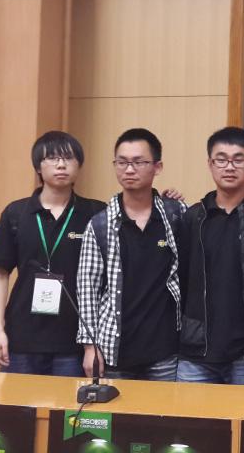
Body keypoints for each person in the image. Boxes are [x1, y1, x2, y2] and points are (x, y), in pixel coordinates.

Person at [0, 131, 105, 376]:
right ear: (38, 167)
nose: (61, 165)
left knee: (70, 402)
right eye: (52, 158)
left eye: (68, 158)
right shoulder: (16, 213)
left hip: (75, 340)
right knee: (18, 401)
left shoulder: (96, 213)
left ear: (79, 165)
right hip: (22, 336)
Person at [77, 128, 186, 381]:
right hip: (114, 348)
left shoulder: (176, 215)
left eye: (139, 162)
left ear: (157, 167)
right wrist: (90, 347)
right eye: (122, 162)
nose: (129, 169)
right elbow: (87, 289)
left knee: (164, 408)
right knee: (115, 409)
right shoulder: (100, 224)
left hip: (165, 350)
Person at [176, 127, 244, 385]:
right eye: (221, 159)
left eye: (238, 160)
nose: (229, 167)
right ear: (210, 164)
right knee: (192, 413)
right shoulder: (193, 217)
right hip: (197, 353)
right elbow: (180, 280)